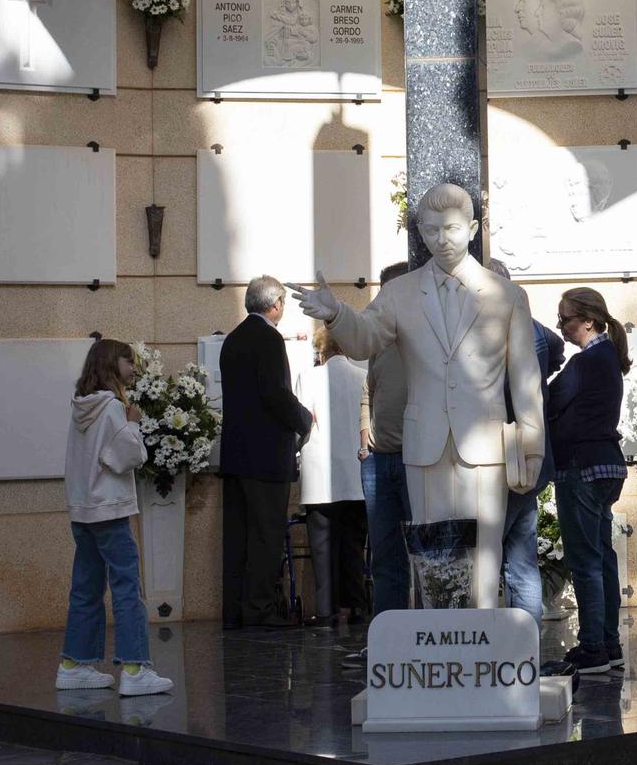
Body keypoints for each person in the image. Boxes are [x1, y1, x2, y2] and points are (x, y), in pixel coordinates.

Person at [290, 183, 545, 610]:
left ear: (474, 228)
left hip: (485, 445)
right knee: (433, 557)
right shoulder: (400, 292)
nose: (441, 239)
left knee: (485, 555)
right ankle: (441, 645)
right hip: (423, 444)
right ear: (421, 234)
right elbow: (365, 340)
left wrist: (532, 444)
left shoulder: (507, 296)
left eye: (451, 228)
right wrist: (336, 313)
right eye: (430, 231)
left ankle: (481, 642)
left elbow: (526, 378)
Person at [56, 337, 172, 697]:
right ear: (111, 363)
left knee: (87, 587)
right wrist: (134, 423)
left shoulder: (81, 406)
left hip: (84, 510)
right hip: (109, 509)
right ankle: (136, 669)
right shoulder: (110, 408)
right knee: (126, 586)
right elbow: (127, 456)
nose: (134, 368)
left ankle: (74, 664)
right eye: (128, 360)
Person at [542, 288, 631, 679]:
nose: (560, 325)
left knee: (586, 561)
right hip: (607, 466)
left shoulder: (586, 361)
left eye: (565, 319)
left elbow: (549, 400)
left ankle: (593, 646)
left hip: (582, 467)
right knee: (603, 558)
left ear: (589, 320)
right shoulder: (608, 356)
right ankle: (610, 645)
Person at [218, 276, 315, 629]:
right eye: (284, 304)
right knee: (266, 535)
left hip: (236, 456)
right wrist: (305, 418)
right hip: (266, 457)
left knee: (238, 537)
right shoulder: (269, 338)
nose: (283, 310)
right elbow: (275, 394)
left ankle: (235, 610)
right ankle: (260, 609)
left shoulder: (233, 340)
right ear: (275, 304)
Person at [488, 259, 565, 624]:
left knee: (489, 554)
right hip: (532, 455)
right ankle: (527, 644)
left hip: (499, 453)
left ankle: (494, 643)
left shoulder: (494, 330)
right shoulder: (540, 333)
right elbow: (557, 349)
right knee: (522, 557)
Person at [300, 324, 370, 627]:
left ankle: (326, 610)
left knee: (322, 546)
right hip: (355, 473)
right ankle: (354, 606)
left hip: (320, 475)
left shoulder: (309, 377)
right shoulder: (362, 377)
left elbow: (304, 422)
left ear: (322, 349)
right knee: (354, 543)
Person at [358, 261, 412, 614]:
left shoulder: (424, 335)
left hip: (415, 457)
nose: (379, 298)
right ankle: (386, 637)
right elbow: (369, 389)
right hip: (378, 459)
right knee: (384, 556)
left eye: (385, 289)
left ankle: (425, 634)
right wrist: (364, 435)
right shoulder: (378, 339)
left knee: (426, 554)